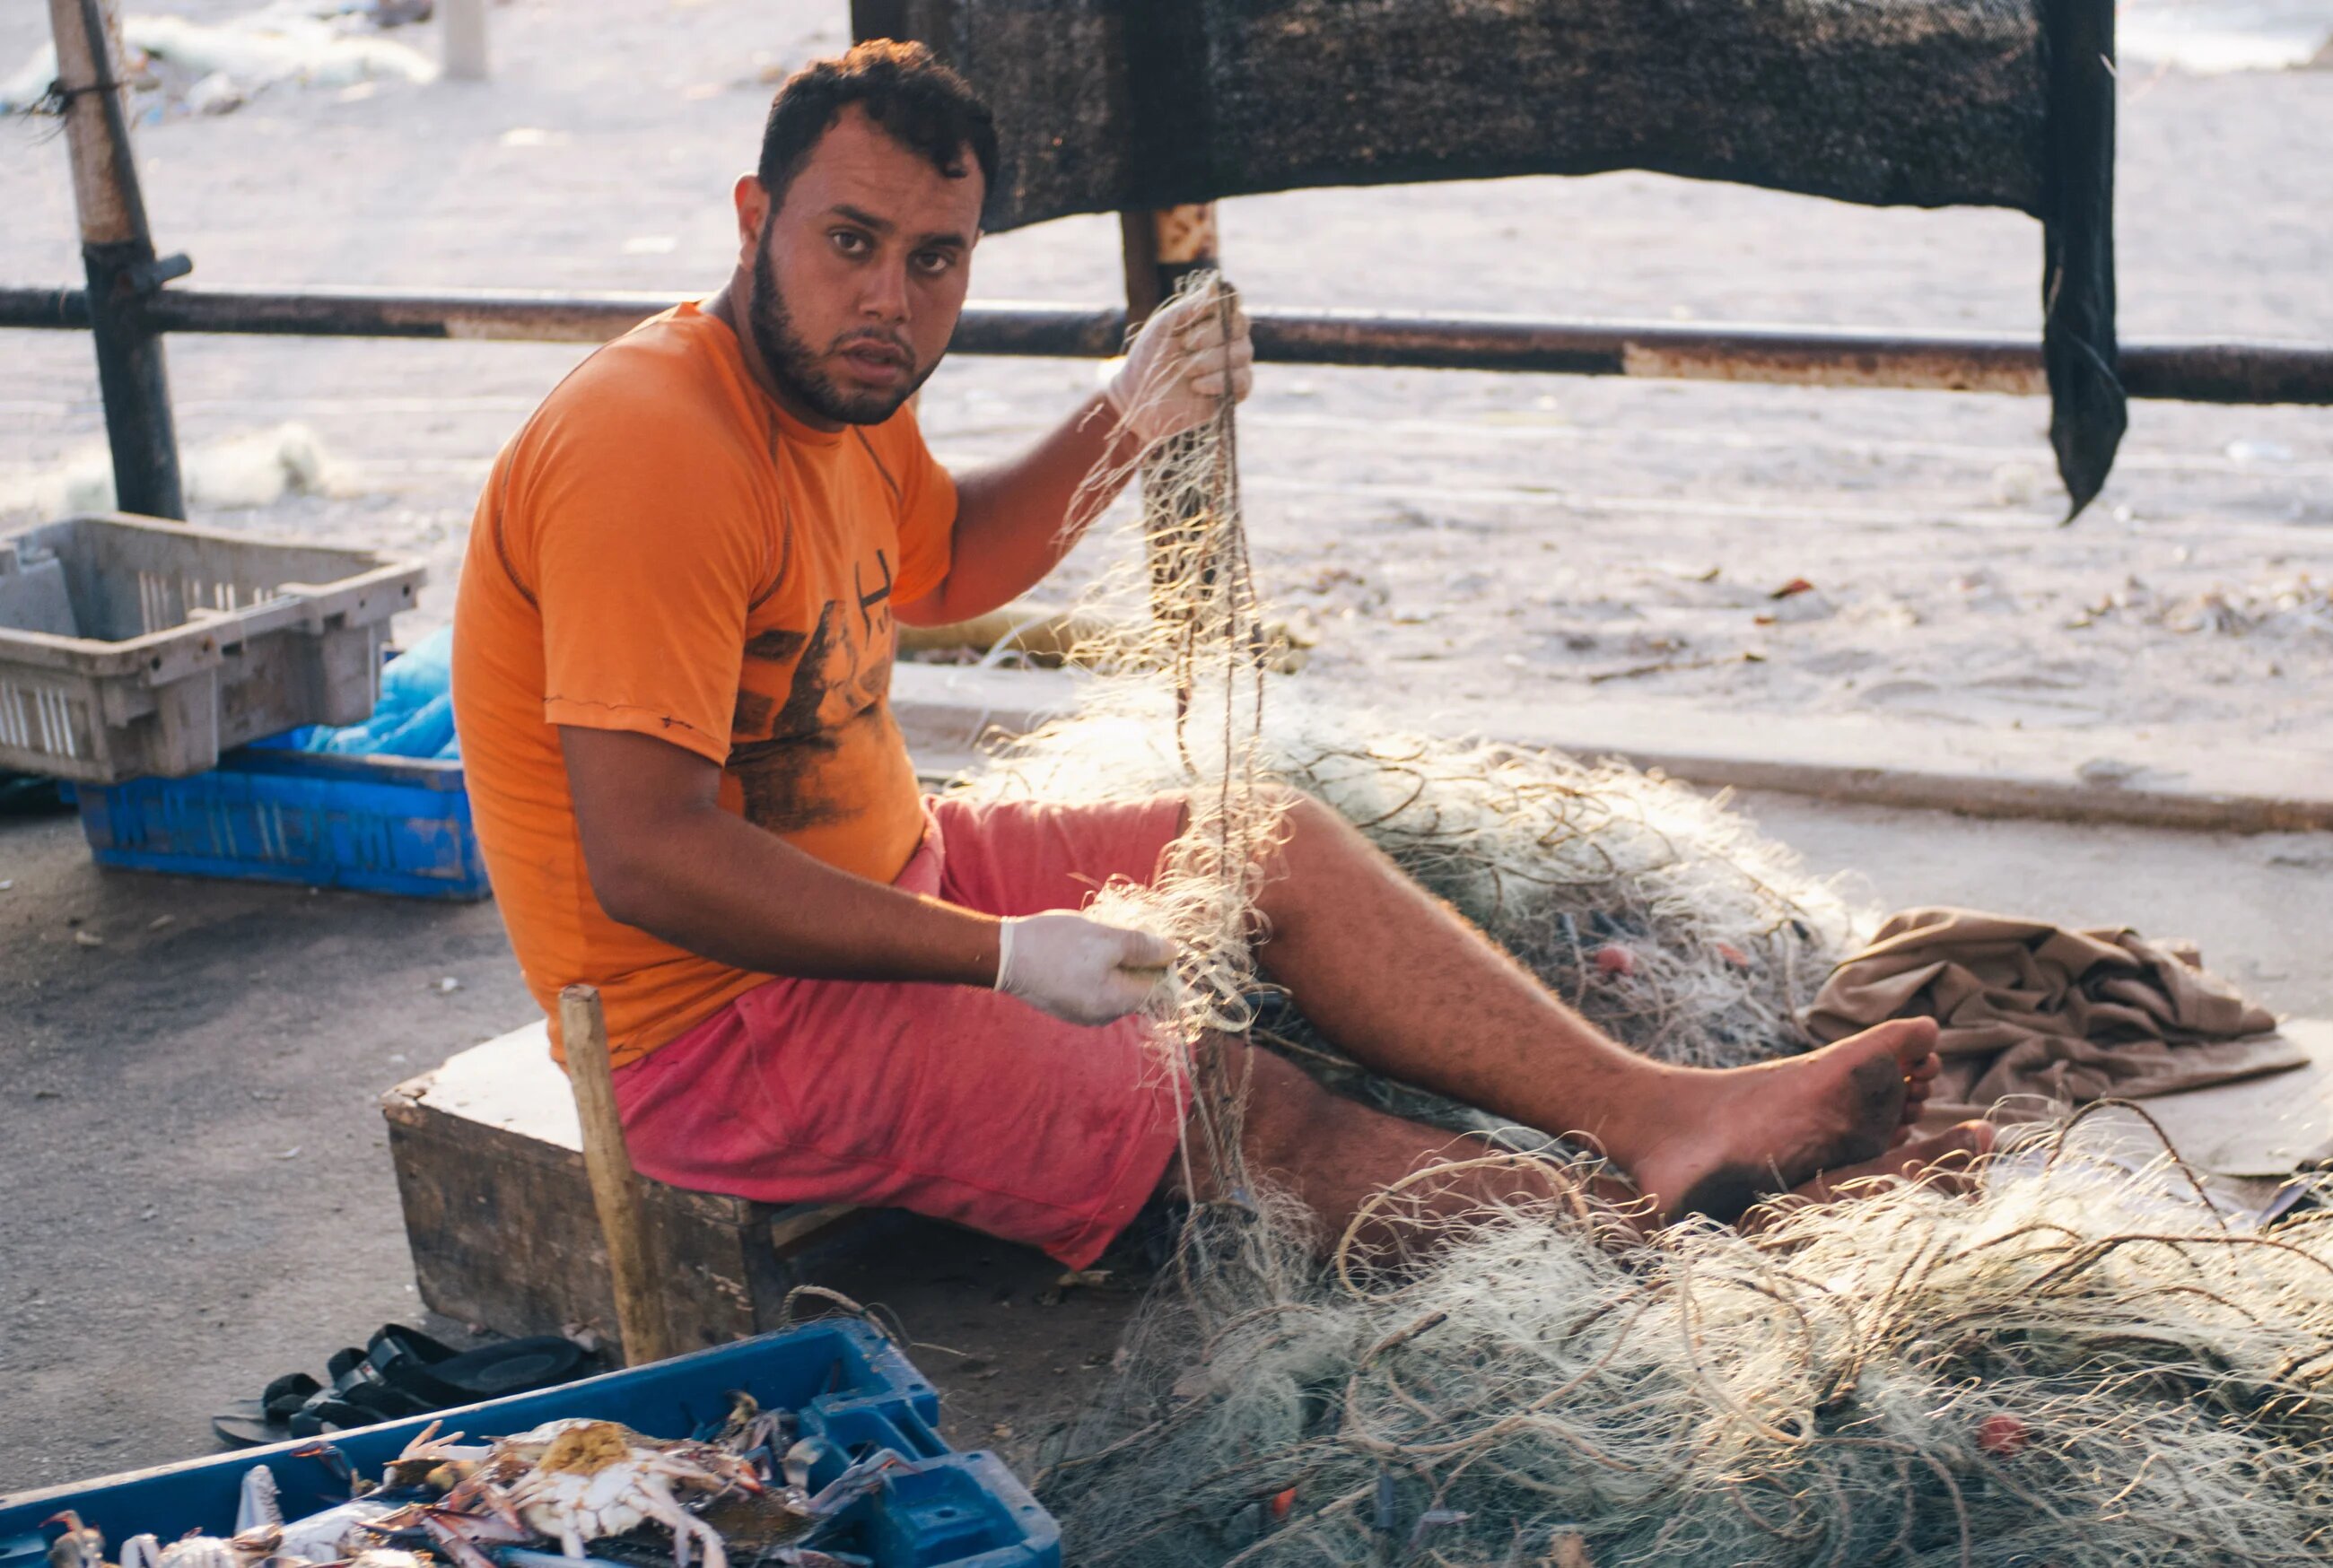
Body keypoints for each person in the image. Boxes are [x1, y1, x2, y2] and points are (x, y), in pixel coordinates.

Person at [452, 40, 1990, 1272]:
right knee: (1238, 1104)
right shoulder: (653, 443)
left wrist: (1136, 411)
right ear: (751, 219)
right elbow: (647, 857)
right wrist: (1001, 960)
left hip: (896, 877)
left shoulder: (847, 388)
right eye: (850, 242)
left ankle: (1669, 1122)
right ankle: (1716, 1251)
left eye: (936, 259)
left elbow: (948, 561)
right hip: (717, 1033)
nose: (891, 299)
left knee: (1273, 843)